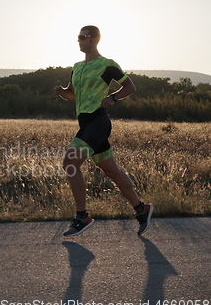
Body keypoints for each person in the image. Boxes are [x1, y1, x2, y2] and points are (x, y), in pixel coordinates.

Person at [52, 25, 153, 236]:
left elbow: (130, 86)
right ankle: (142, 210)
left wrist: (114, 97)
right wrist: (62, 92)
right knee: (111, 171)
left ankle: (82, 217)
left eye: (83, 36)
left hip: (98, 121)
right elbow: (72, 94)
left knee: (70, 163)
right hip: (86, 123)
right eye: (78, 36)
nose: (78, 40)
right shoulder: (77, 66)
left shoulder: (106, 65)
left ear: (94, 40)